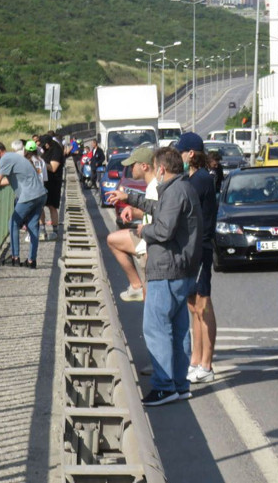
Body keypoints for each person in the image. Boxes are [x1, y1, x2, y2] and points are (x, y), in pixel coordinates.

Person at [137, 147, 202, 406]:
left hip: (167, 269)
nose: (155, 173)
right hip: (181, 270)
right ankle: (179, 384)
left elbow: (163, 230)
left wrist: (143, 230)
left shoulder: (174, 191)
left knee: (156, 328)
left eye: (156, 169)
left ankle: (164, 387)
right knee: (178, 330)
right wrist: (131, 198)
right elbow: (161, 209)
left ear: (161, 169)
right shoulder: (183, 188)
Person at [175, 133, 218, 384]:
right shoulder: (191, 178)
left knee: (203, 306)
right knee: (193, 308)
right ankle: (195, 361)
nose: (178, 157)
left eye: (180, 152)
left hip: (200, 248)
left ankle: (207, 365)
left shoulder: (200, 179)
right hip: (191, 250)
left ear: (191, 154)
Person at [0, 142, 47, 268]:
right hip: (41, 194)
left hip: (29, 195)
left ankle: (15, 257)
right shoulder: (14, 157)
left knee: (13, 223)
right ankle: (31, 260)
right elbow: (7, 180)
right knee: (32, 226)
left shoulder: (5, 159)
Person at [105, 146, 159, 302]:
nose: (130, 168)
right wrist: (134, 212)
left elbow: (162, 216)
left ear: (144, 166)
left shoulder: (155, 187)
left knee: (151, 302)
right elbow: (153, 210)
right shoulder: (152, 185)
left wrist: (146, 229)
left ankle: (138, 287)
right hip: (147, 239)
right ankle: (136, 286)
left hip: (150, 245)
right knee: (113, 239)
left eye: (132, 165)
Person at [41, 135, 64, 240]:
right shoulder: (46, 150)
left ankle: (55, 231)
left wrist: (40, 163)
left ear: (47, 144)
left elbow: (53, 168)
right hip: (44, 182)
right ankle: (42, 230)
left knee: (52, 207)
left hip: (53, 182)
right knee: (40, 206)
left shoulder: (56, 150)